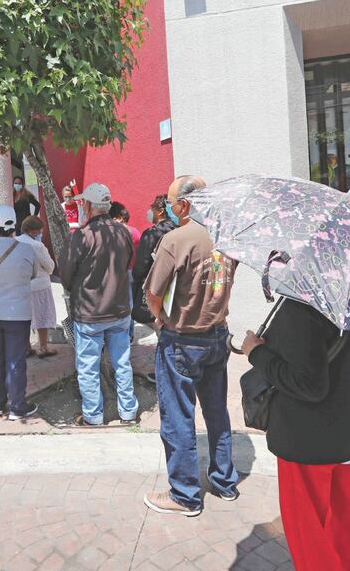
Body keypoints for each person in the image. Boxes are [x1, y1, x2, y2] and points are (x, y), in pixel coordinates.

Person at [241, 300, 350, 571]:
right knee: (342, 529)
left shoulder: (303, 303)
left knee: (309, 536)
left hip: (307, 440)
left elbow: (309, 384)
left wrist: (256, 352)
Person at [143, 175, 239, 517]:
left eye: (171, 201)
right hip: (216, 336)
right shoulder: (226, 237)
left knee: (178, 417)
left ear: (184, 204)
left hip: (182, 340)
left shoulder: (176, 239)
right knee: (216, 412)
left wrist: (160, 318)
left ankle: (184, 494)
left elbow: (153, 293)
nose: (169, 207)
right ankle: (224, 481)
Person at [60, 182, 138, 427]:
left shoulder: (82, 236)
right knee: (122, 363)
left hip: (90, 311)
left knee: (88, 367)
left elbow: (66, 273)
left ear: (91, 206)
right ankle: (128, 412)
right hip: (119, 308)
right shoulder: (123, 232)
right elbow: (127, 264)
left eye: (84, 202)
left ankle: (94, 415)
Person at [0, 205, 39, 420]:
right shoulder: (27, 249)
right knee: (16, 360)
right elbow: (32, 274)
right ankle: (17, 407)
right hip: (18, 313)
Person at [132, 194, 175, 384]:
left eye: (152, 209)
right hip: (177, 291)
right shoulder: (180, 230)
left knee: (161, 332)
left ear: (159, 211)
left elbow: (140, 267)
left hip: (157, 290)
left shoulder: (152, 234)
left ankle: (165, 374)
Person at [17, 216, 58, 358]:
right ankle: (43, 347)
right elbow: (50, 267)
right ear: (34, 231)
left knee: (24, 318)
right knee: (42, 316)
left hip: (21, 286)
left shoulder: (15, 242)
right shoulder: (38, 246)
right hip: (40, 286)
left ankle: (26, 347)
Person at [109, 201, 141, 343]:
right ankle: (129, 334)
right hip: (131, 270)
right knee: (129, 303)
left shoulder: (115, 232)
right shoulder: (135, 232)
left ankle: (120, 334)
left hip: (118, 272)